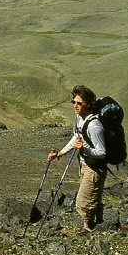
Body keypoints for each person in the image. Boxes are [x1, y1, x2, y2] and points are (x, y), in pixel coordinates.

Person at [47, 85, 107, 233]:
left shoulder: (94, 126)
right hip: (85, 164)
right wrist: (60, 153)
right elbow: (76, 137)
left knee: (82, 204)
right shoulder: (79, 119)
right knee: (91, 198)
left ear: (88, 104)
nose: (75, 106)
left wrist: (83, 150)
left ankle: (90, 230)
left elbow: (102, 152)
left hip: (94, 168)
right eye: (73, 102)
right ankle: (100, 224)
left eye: (79, 103)